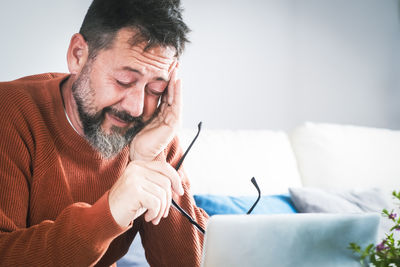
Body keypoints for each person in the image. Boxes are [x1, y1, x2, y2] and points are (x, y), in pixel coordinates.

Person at [0, 0, 208, 266]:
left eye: (155, 89)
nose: (135, 108)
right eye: (124, 81)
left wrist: (151, 158)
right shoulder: (9, 112)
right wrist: (110, 211)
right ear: (78, 55)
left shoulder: (152, 131)